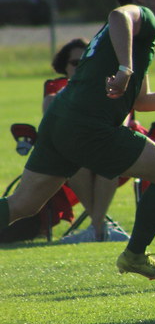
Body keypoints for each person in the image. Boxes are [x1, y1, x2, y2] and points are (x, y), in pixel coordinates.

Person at [0, 0, 155, 279]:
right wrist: (125, 70)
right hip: (88, 126)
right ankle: (135, 255)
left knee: (22, 205)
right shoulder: (141, 16)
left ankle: (134, 254)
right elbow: (119, 15)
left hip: (60, 120)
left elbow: (140, 101)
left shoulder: (134, 39)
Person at [42, 39, 128, 243]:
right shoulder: (55, 94)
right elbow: (52, 128)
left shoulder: (111, 87)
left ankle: (96, 228)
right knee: (76, 166)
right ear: (64, 66)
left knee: (108, 164)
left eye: (87, 62)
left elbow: (122, 123)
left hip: (109, 151)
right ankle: (100, 227)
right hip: (73, 155)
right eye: (75, 63)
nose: (81, 68)